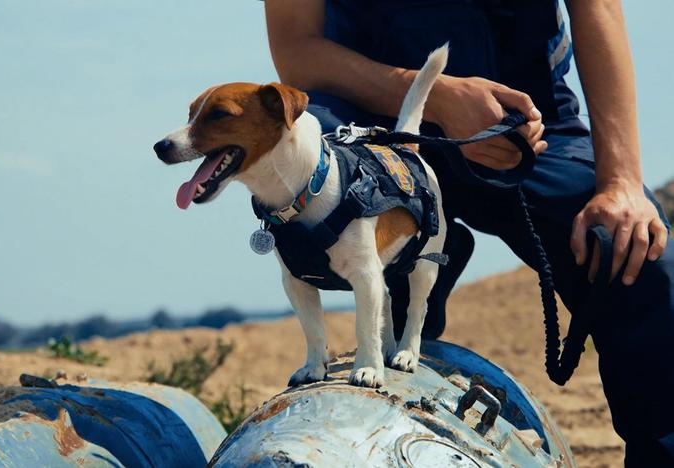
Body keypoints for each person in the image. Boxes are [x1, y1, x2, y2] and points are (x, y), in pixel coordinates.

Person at [263, 0, 674, 465]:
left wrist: (620, 181)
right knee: (351, 245)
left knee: (639, 258)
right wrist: (435, 95)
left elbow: (598, 7)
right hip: (375, 131)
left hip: (529, 123)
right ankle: (423, 253)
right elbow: (297, 50)